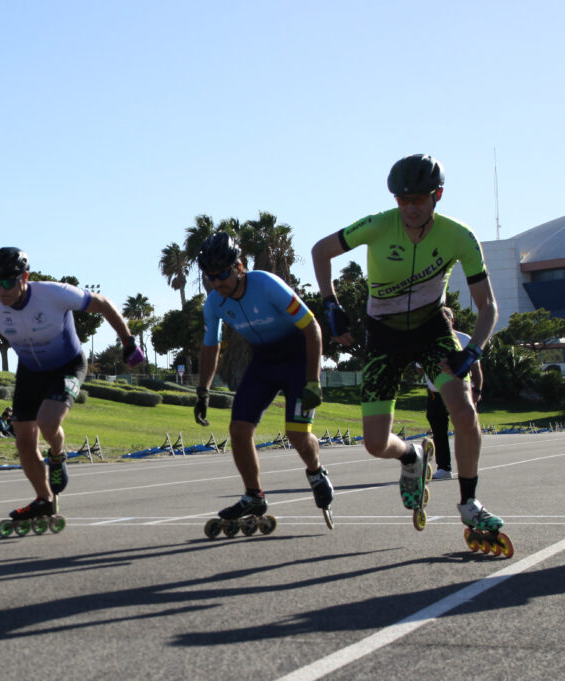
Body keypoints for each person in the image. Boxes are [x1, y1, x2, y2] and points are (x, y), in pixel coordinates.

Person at [311, 153, 501, 535]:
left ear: (438, 195)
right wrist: (330, 302)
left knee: (464, 413)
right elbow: (321, 251)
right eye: (403, 200)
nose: (410, 208)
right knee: (375, 443)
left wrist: (473, 349)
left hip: (432, 332)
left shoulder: (459, 236)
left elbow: (488, 306)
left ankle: (469, 502)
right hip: (384, 336)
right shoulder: (379, 225)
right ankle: (412, 456)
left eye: (419, 199)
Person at [0, 247, 142, 522]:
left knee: (48, 422)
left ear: (24, 277)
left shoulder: (54, 293)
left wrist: (128, 341)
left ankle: (58, 455)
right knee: (24, 441)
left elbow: (104, 304)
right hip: (30, 370)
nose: (1, 291)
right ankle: (44, 500)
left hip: (67, 365)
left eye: (8, 283)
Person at [193, 233, 334, 525]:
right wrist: (203, 391)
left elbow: (312, 328)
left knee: (297, 434)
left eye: (222, 274)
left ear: (239, 267)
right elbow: (211, 346)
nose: (217, 283)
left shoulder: (267, 284)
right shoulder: (214, 303)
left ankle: (316, 470)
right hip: (264, 362)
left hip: (298, 359)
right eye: (210, 277)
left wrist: (312, 380)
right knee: (238, 430)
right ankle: (253, 495)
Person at [421, 308, 483, 480]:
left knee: (465, 430)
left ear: (452, 320)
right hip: (436, 392)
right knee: (438, 430)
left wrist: (477, 390)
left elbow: (476, 368)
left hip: (461, 392)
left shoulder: (464, 339)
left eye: (446, 317)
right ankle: (444, 467)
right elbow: (420, 369)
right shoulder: (427, 340)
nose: (443, 319)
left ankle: (469, 468)